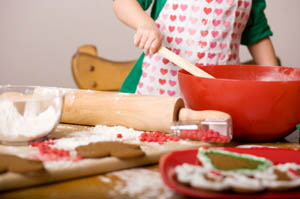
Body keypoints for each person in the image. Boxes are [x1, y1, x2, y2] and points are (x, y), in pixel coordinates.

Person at [113, 0, 279, 97]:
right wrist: (145, 24)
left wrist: (275, 85)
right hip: (155, 91)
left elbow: (257, 37)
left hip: (218, 96)